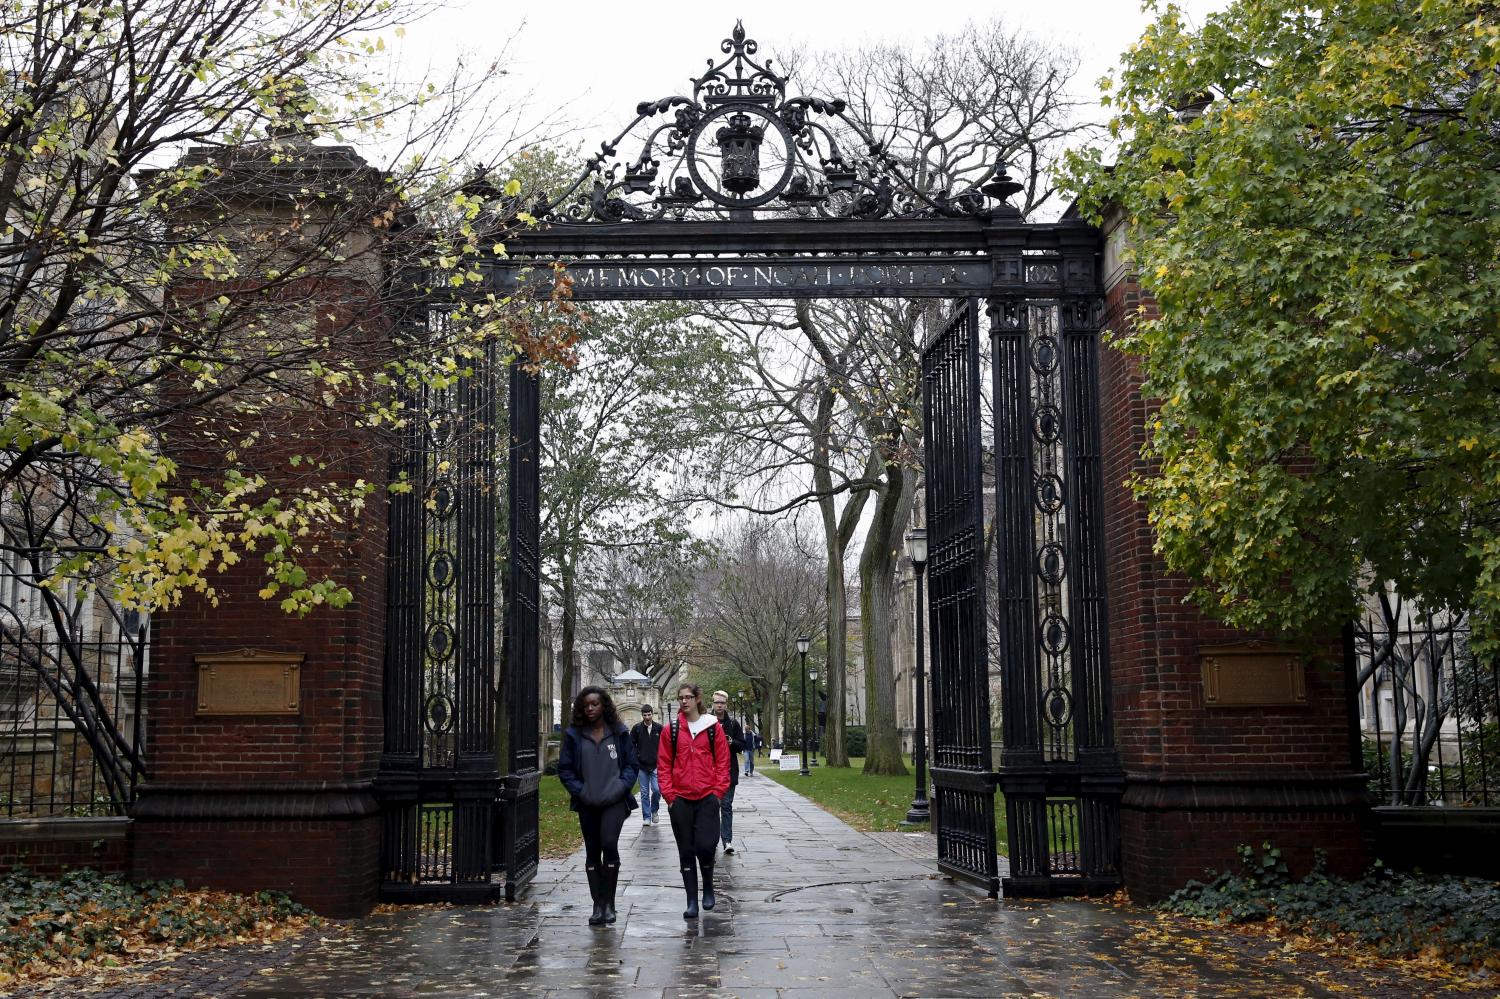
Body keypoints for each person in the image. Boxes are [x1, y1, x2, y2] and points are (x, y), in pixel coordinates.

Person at [557, 685, 638, 926]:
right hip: (588, 802)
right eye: (586, 705)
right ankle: (597, 905)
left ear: (604, 705)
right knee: (593, 850)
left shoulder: (619, 732)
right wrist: (581, 791)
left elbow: (631, 766)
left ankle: (609, 904)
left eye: (595, 704)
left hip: (614, 800)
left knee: (609, 843)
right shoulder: (574, 734)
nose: (591, 708)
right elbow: (565, 769)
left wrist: (620, 788)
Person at [658, 682, 728, 919]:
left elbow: (722, 762)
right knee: (685, 850)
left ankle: (707, 886)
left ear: (698, 699)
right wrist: (669, 796)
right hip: (680, 799)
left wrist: (718, 793)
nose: (684, 701)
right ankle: (691, 901)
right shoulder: (673, 729)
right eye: (680, 698)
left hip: (708, 796)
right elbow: (664, 764)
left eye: (688, 697)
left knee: (706, 847)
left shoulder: (712, 727)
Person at [710, 690, 745, 854]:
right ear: (713, 703)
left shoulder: (733, 723)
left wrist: (731, 742)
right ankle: (711, 840)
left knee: (726, 806)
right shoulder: (706, 721)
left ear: (726, 704)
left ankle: (727, 840)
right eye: (717, 702)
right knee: (711, 807)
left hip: (729, 770)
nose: (719, 705)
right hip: (709, 772)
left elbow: (742, 745)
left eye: (722, 703)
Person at [630, 704, 663, 826]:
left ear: (652, 714)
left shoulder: (659, 728)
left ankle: (654, 810)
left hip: (656, 765)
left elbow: (665, 745)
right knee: (644, 793)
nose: (647, 717)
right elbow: (631, 745)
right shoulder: (637, 729)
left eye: (649, 714)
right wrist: (636, 758)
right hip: (642, 766)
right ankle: (647, 817)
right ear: (642, 715)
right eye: (645, 715)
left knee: (657, 790)